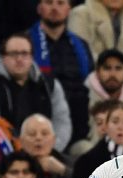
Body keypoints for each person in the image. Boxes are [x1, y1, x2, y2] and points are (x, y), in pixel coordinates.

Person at [0, 33, 73, 151]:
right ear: (3, 57)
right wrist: (19, 152)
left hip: (47, 151)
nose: (19, 59)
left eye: (24, 54)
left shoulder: (49, 84)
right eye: (13, 54)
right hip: (5, 153)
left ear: (32, 57)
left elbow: (62, 123)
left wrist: (50, 149)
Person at [30, 0, 94, 143]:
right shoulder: (26, 43)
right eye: (49, 2)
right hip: (41, 110)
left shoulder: (81, 45)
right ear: (39, 8)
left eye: (60, 3)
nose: (54, 8)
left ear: (69, 9)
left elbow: (91, 78)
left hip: (79, 116)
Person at [68, 0, 123, 86]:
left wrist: (121, 71)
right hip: (90, 83)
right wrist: (110, 71)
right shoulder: (81, 14)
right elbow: (81, 56)